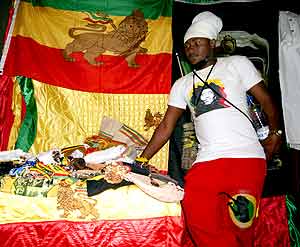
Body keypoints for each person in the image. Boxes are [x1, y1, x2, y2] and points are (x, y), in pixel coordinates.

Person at [136, 11, 282, 247]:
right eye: (187, 45)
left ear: (212, 43)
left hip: (245, 157)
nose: (191, 49)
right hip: (208, 159)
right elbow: (166, 126)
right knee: (196, 213)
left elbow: (266, 101)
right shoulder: (182, 84)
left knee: (242, 223)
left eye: (197, 43)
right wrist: (142, 158)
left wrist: (276, 133)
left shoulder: (237, 64)